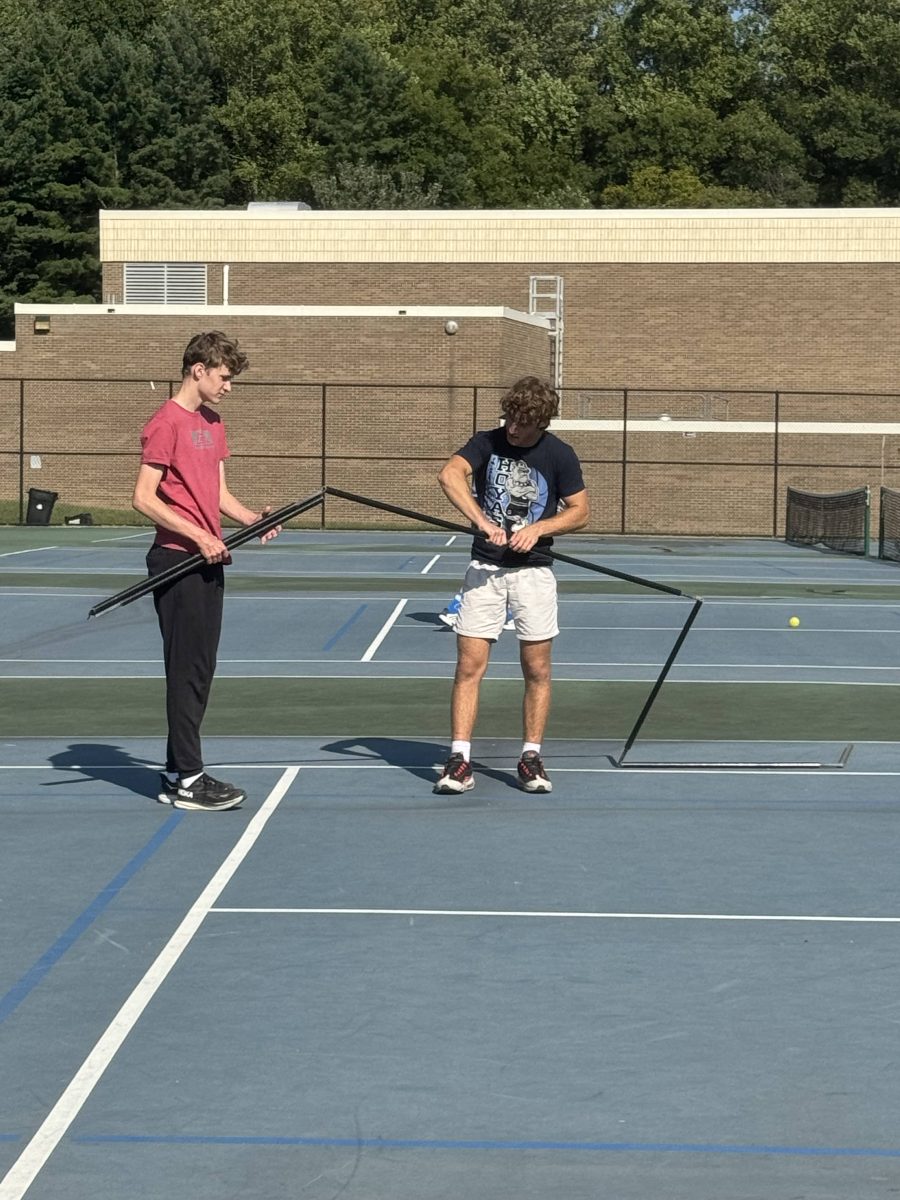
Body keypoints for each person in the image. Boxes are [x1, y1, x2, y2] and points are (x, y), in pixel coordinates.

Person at [132, 331, 280, 811]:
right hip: (177, 560)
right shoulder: (165, 423)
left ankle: (180, 769)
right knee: (187, 670)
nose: (228, 387)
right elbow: (143, 498)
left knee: (199, 669)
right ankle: (189, 781)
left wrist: (252, 520)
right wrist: (198, 536)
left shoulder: (213, 423)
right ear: (199, 369)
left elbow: (214, 493)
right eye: (224, 377)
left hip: (208, 557)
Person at [434, 375, 589, 795]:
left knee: (537, 668)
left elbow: (580, 510)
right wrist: (482, 522)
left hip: (534, 573)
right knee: (469, 666)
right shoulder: (487, 442)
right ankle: (459, 759)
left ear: (541, 422)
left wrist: (539, 529)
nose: (513, 428)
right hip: (484, 572)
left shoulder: (559, 455)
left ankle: (531, 756)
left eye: (522, 422)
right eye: (510, 419)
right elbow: (450, 475)